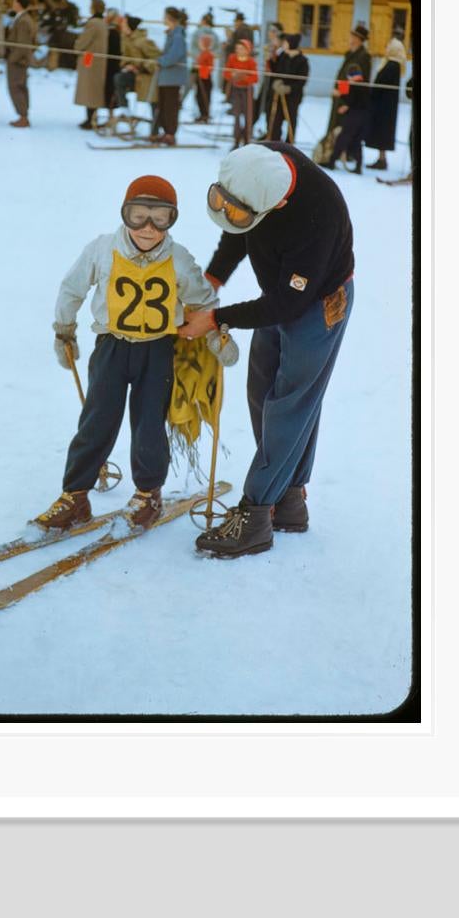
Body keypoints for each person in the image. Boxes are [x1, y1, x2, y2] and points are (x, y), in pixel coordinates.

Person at [178, 142, 355, 558]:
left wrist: (218, 318)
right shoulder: (258, 166)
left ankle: (256, 515)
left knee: (291, 403)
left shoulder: (318, 216)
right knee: (262, 391)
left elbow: (289, 305)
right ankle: (289, 500)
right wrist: (211, 284)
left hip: (317, 304)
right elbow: (237, 230)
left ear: (275, 205)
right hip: (277, 293)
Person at [34, 175, 237, 532]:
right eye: (137, 215)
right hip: (111, 346)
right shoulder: (102, 249)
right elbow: (72, 288)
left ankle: (148, 494)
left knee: (148, 425)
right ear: (124, 214)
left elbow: (203, 300)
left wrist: (216, 333)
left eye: (160, 218)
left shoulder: (178, 258)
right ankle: (75, 496)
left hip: (157, 350)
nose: (147, 228)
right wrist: (64, 330)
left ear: (172, 219)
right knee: (96, 420)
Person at [326, 22, 372, 172]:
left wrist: (345, 100)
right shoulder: (352, 54)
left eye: (353, 36)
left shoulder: (363, 57)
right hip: (349, 100)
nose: (350, 39)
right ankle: (356, 165)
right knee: (352, 134)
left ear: (359, 39)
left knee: (346, 133)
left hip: (355, 101)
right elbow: (347, 78)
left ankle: (332, 160)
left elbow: (357, 82)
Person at [365, 32, 407, 170]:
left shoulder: (391, 65)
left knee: (381, 134)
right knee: (382, 134)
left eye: (389, 46)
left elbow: (380, 84)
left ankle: (382, 160)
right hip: (386, 106)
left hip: (383, 107)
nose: (387, 48)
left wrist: (371, 95)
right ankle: (381, 158)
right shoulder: (394, 65)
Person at [149, 7, 189, 146]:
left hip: (173, 78)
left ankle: (170, 134)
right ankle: (166, 132)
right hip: (166, 78)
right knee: (164, 106)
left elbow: (174, 55)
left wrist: (161, 61)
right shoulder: (171, 34)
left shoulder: (178, 35)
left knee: (171, 107)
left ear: (170, 17)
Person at [4, 0, 38, 129]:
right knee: (20, 87)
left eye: (14, 1)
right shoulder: (23, 18)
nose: (12, 4)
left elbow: (22, 45)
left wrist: (12, 59)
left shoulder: (23, 20)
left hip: (18, 61)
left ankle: (23, 117)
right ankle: (23, 115)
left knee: (16, 87)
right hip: (19, 60)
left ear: (19, 4)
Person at [113, 15, 160, 114]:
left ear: (130, 27)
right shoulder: (126, 40)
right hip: (135, 76)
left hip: (147, 77)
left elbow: (157, 59)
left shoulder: (143, 42)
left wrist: (139, 67)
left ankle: (155, 127)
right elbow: (124, 58)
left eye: (124, 24)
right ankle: (124, 108)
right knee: (118, 78)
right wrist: (127, 65)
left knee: (154, 103)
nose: (122, 26)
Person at [74, 0, 109, 129]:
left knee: (88, 89)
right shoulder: (102, 22)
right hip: (97, 60)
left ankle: (90, 119)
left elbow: (84, 41)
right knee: (92, 90)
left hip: (90, 58)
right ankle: (91, 118)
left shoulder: (93, 22)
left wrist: (76, 47)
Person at [269, 33, 310, 142]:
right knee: (276, 120)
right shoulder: (283, 56)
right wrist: (276, 82)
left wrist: (289, 88)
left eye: (286, 42)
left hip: (293, 96)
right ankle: (275, 141)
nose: (284, 44)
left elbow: (302, 80)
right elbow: (276, 71)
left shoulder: (302, 61)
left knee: (291, 120)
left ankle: (289, 142)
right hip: (279, 93)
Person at [224, 37, 259, 149]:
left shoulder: (251, 61)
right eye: (237, 48)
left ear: (247, 50)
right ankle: (236, 140)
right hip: (236, 90)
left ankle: (247, 139)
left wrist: (243, 77)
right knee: (237, 115)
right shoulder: (232, 58)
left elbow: (255, 78)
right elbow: (226, 73)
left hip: (247, 91)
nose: (239, 50)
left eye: (241, 48)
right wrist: (233, 76)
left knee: (248, 115)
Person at [190, 12, 221, 123]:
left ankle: (204, 113)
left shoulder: (197, 33)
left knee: (200, 91)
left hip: (199, 66)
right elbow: (217, 51)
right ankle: (205, 112)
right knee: (206, 90)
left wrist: (200, 58)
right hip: (208, 66)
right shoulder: (215, 35)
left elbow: (193, 49)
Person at [253, 22, 283, 131]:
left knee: (270, 106)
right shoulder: (269, 46)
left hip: (275, 79)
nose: (271, 33)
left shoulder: (280, 47)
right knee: (259, 102)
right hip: (267, 76)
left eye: (273, 31)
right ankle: (250, 127)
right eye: (270, 31)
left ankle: (270, 130)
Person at [104, 8, 122, 113]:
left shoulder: (112, 32)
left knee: (110, 91)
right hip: (111, 66)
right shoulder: (114, 32)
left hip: (110, 67)